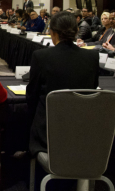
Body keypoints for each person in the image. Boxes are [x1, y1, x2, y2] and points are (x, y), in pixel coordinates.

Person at [25, 11, 99, 159]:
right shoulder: (92, 56)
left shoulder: (41, 56)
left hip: (48, 133)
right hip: (82, 130)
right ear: (76, 31)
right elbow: (93, 87)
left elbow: (32, 95)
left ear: (52, 32)